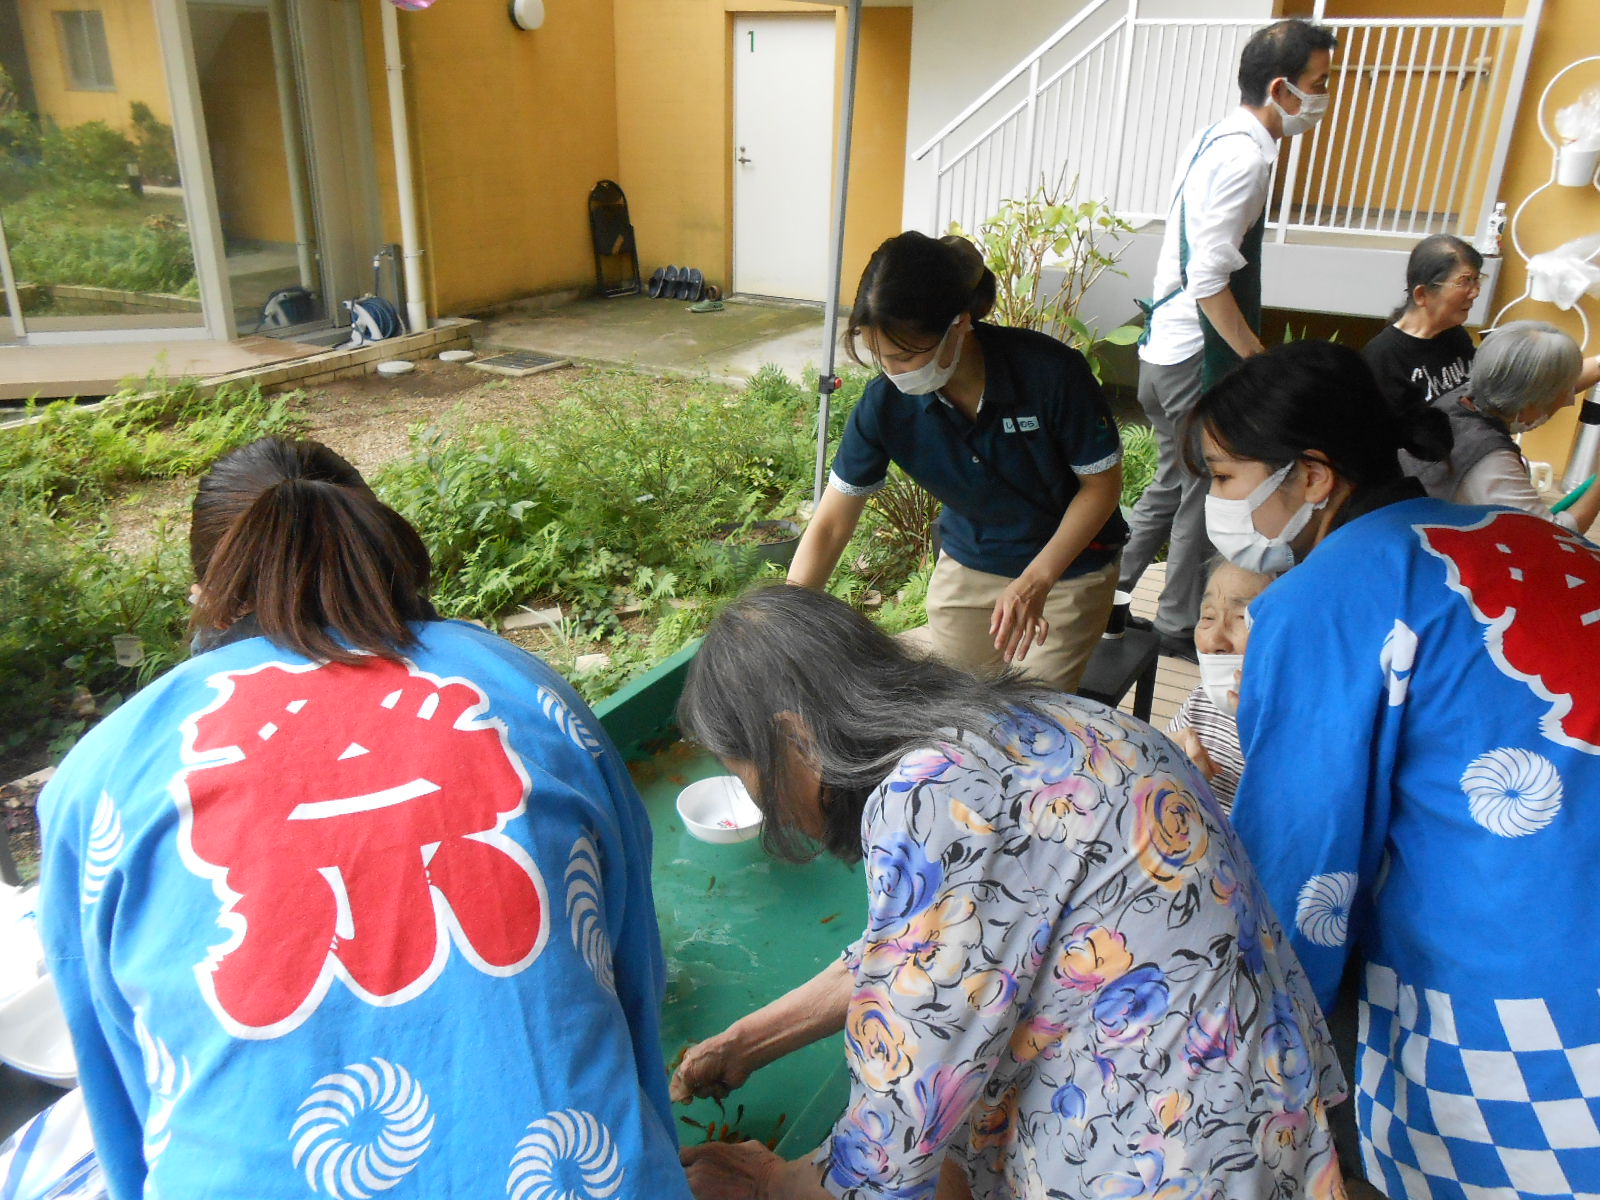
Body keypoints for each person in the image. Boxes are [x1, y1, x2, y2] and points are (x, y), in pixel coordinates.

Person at [37, 438, 693, 1200]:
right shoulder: (527, 693)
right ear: (370, 549)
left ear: (203, 594)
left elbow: (125, 1089)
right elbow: (632, 975)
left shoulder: (103, 773)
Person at [669, 584, 1347, 1200]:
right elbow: (916, 956)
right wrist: (747, 1043)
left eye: (745, 771)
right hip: (1266, 1109)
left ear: (796, 738)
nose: (760, 801)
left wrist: (770, 1182)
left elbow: (896, 1133)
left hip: (1168, 1154)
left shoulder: (929, 792)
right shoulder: (1038, 719)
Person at [1193, 339, 1600, 1199]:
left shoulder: (1322, 598)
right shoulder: (1533, 537)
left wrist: (1255, 1050)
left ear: (1312, 475)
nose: (1213, 503)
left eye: (1224, 477)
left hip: (1523, 994)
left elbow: (1303, 868)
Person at [788, 230, 1125, 694]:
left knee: (1034, 714)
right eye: (881, 357)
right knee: (951, 704)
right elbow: (830, 525)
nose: (894, 372)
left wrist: (1036, 580)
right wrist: (787, 622)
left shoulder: (1050, 374)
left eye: (907, 355)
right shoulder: (884, 406)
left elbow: (1102, 486)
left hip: (1067, 568)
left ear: (959, 324)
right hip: (970, 563)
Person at [1119, 19, 1336, 660]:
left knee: (1170, 484)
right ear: (1281, 89)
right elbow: (1208, 277)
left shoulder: (1215, 136)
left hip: (1163, 348)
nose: (1324, 98)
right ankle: (1176, 623)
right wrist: (1256, 360)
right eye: (1319, 84)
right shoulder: (1245, 159)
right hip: (1194, 354)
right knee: (1201, 492)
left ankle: (1110, 587)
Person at [1405, 319, 1600, 534]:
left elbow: (1543, 383)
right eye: (1560, 398)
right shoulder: (1491, 461)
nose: (1566, 400)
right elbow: (1553, 535)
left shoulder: (1466, 394)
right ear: (1529, 402)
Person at [1167, 559, 1272, 812]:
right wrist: (1169, 761)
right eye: (1208, 616)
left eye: (1243, 618)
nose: (1213, 640)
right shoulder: (1200, 702)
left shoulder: (1310, 729)